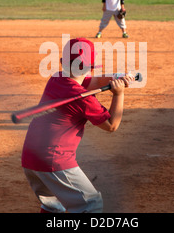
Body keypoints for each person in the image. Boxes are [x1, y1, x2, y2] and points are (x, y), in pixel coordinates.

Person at [21, 37, 134, 213]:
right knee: (91, 204)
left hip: (30, 157)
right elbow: (111, 125)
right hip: (54, 160)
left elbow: (94, 82)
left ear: (61, 62)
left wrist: (116, 78)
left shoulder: (56, 78)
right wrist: (118, 94)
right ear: (90, 66)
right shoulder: (85, 99)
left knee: (53, 206)